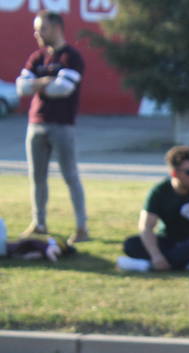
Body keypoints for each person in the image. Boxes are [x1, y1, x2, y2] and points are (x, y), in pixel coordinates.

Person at [15, 10, 88, 246]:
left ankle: (81, 227)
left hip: (62, 125)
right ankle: (39, 223)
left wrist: (37, 84)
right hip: (36, 124)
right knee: (37, 177)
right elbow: (21, 88)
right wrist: (46, 82)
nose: (37, 33)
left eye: (42, 29)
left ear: (56, 28)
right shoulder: (37, 57)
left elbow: (63, 89)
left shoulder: (71, 57)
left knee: (70, 176)